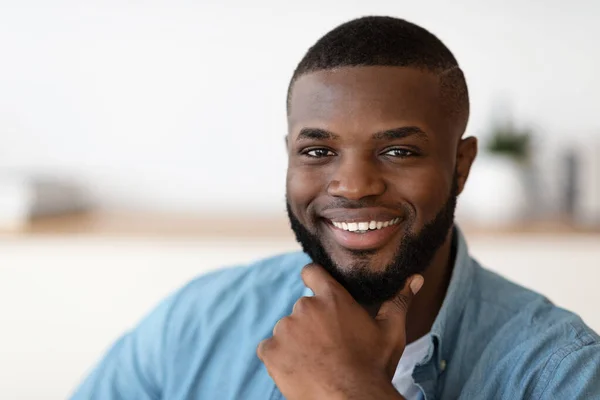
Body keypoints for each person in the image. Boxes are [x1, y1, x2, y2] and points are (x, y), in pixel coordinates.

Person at [70, 16, 600, 400]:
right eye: (318, 151)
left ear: (460, 166)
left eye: (398, 151)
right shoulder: (198, 323)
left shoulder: (562, 372)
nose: (352, 186)